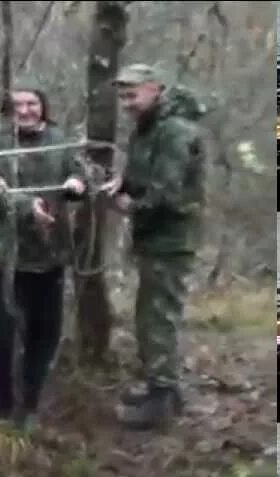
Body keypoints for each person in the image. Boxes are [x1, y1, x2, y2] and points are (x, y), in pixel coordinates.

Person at [101, 63, 208, 431]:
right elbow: (143, 177)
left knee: (158, 319)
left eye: (133, 94)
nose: (127, 102)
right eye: (123, 96)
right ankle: (162, 389)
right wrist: (123, 183)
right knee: (149, 316)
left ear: (155, 89)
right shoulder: (146, 130)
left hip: (171, 239)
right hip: (154, 238)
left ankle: (161, 401)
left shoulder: (174, 131)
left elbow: (167, 193)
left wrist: (129, 206)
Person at [0, 78, 88, 431]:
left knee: (47, 332)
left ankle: (30, 403)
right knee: (5, 333)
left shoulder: (60, 140)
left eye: (32, 104)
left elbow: (81, 169)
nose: (25, 111)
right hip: (8, 257)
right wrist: (28, 207)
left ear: (43, 106)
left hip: (51, 254)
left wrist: (78, 183)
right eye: (18, 105)